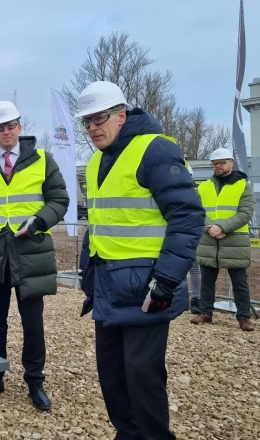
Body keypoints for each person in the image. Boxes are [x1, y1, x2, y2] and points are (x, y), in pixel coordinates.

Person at [76, 81, 204, 440]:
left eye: (98, 118)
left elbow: (188, 217)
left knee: (141, 376)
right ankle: (128, 434)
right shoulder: (99, 160)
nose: (92, 128)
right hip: (108, 287)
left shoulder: (155, 150)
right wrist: (89, 270)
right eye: (86, 121)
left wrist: (165, 280)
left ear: (121, 114)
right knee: (112, 376)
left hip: (148, 290)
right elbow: (100, 222)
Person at [0, 100, 69, 411]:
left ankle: (35, 381)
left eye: (10, 125)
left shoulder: (42, 160)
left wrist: (38, 221)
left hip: (30, 251)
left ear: (20, 127)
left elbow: (59, 198)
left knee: (32, 323)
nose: (6, 131)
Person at [191, 148, 255, 332]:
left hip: (234, 239)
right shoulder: (203, 187)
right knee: (207, 280)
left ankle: (243, 317)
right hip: (209, 238)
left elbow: (246, 212)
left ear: (231, 163)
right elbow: (197, 210)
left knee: (239, 282)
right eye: (215, 164)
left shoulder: (243, 186)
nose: (218, 166)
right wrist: (211, 227)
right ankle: (205, 312)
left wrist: (222, 227)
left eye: (221, 163)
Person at [186, 163, 202, 314]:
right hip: (176, 235)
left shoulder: (196, 193)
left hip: (192, 235)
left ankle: (196, 299)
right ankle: (183, 298)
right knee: (178, 268)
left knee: (195, 269)